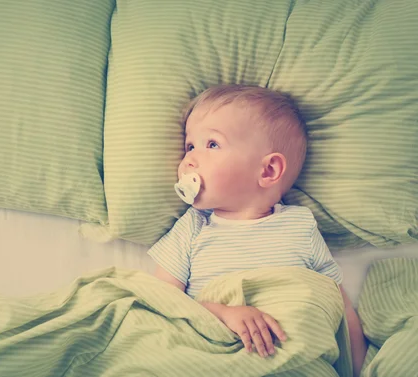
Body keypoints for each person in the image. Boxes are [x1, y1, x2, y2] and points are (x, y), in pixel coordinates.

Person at [149, 84, 367, 376]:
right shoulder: (192, 227)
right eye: (190, 146)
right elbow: (162, 303)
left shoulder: (300, 227)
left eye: (211, 144)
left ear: (267, 171)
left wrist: (361, 369)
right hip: (214, 355)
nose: (188, 160)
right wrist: (224, 313)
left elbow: (335, 302)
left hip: (294, 357)